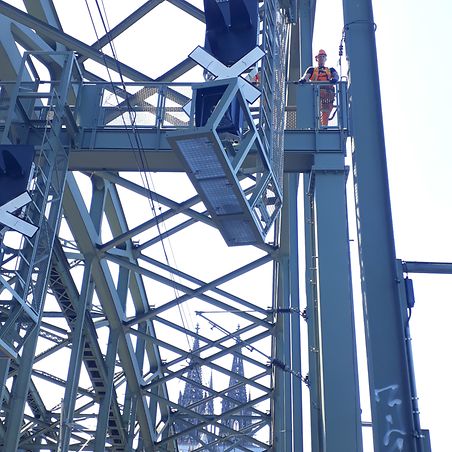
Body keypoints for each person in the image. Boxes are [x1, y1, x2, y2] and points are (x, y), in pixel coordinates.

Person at [299, 49, 339, 126]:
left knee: (325, 112)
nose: (321, 58)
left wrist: (335, 79)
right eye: (320, 57)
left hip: (327, 95)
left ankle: (324, 127)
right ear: (317, 59)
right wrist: (302, 80)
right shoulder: (312, 69)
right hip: (315, 94)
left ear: (325, 58)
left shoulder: (330, 70)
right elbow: (306, 77)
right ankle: (317, 127)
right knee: (314, 112)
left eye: (323, 57)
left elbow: (336, 76)